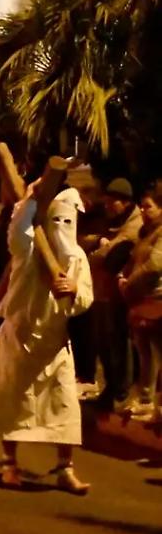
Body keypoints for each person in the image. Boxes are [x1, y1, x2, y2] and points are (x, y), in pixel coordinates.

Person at [0, 187, 93, 494]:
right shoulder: (28, 248)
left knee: (63, 404)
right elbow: (18, 230)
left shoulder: (77, 258)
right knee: (14, 400)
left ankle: (65, 467)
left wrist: (74, 288)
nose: (62, 228)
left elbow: (86, 297)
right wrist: (32, 199)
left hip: (54, 340)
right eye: (56, 220)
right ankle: (10, 463)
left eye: (68, 221)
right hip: (20, 336)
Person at [80, 178, 141, 408]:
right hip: (103, 291)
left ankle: (120, 392)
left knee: (116, 342)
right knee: (104, 342)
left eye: (111, 202)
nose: (107, 206)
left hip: (117, 295)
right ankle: (112, 389)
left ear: (125, 202)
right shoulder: (113, 221)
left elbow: (108, 255)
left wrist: (98, 249)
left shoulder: (133, 227)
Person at [118, 186, 162, 421]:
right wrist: (122, 277)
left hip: (156, 299)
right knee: (144, 352)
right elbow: (135, 258)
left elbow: (155, 265)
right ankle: (146, 399)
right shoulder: (146, 232)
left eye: (149, 207)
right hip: (141, 300)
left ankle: (155, 403)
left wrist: (129, 282)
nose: (144, 211)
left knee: (155, 352)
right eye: (142, 206)